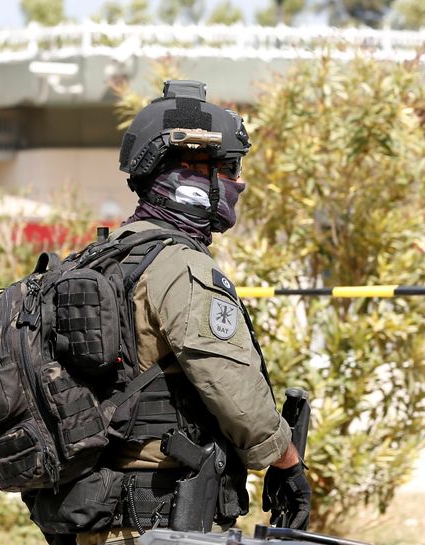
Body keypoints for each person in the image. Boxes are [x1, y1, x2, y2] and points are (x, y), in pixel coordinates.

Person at [71, 80, 311, 545]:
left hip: (98, 518)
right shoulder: (180, 266)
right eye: (229, 167)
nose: (239, 182)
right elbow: (236, 394)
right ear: (188, 174)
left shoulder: (104, 258)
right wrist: (287, 463)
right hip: (161, 521)